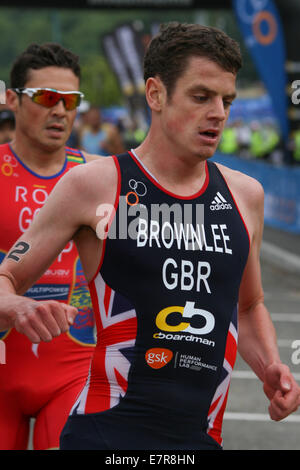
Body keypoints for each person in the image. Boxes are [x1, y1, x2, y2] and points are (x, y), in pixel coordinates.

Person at [0, 23, 299, 451]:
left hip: (199, 440)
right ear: (156, 94)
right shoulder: (95, 184)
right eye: (201, 97)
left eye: (226, 100)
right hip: (107, 436)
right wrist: (15, 305)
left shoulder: (245, 194)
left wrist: (271, 364)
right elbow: (6, 279)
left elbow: (249, 306)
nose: (218, 112)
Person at [0, 43, 100, 450]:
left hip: (72, 372)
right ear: (12, 100)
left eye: (70, 100)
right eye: (45, 97)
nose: (60, 111)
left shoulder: (100, 176)